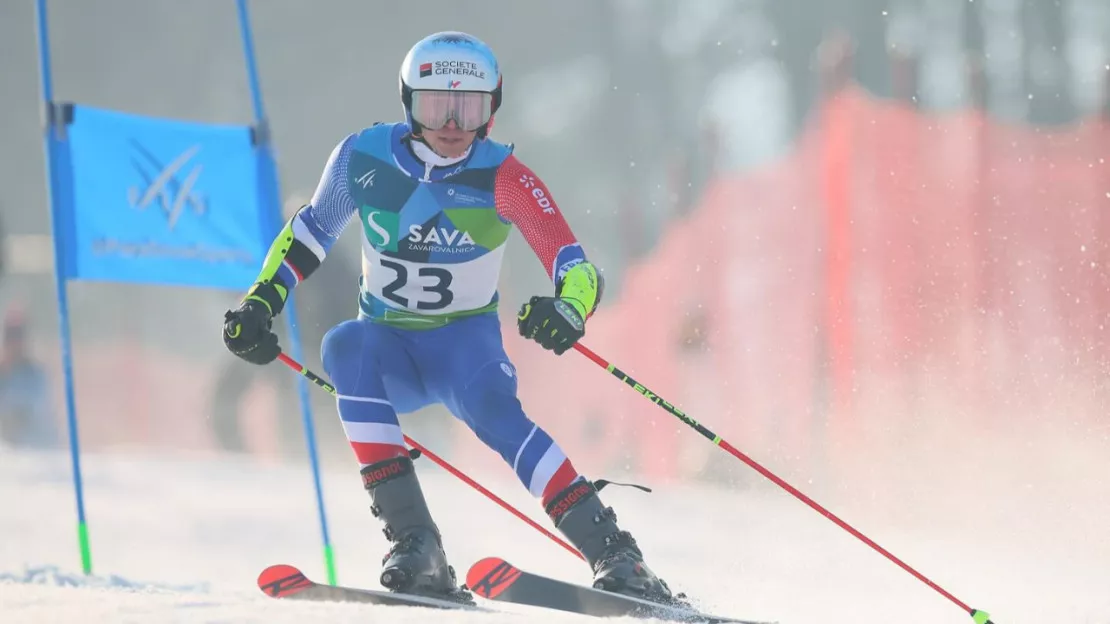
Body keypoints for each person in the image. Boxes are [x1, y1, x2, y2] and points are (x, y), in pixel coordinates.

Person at [221, 31, 677, 605]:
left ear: (493, 108)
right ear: (408, 101)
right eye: (437, 104)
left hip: (464, 349)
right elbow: (308, 235)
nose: (453, 122)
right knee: (344, 347)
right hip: (389, 347)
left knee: (496, 413)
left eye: (471, 106)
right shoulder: (361, 157)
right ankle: (418, 545)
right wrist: (261, 302)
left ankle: (617, 554)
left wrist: (569, 307)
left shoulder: (505, 176)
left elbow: (575, 265)